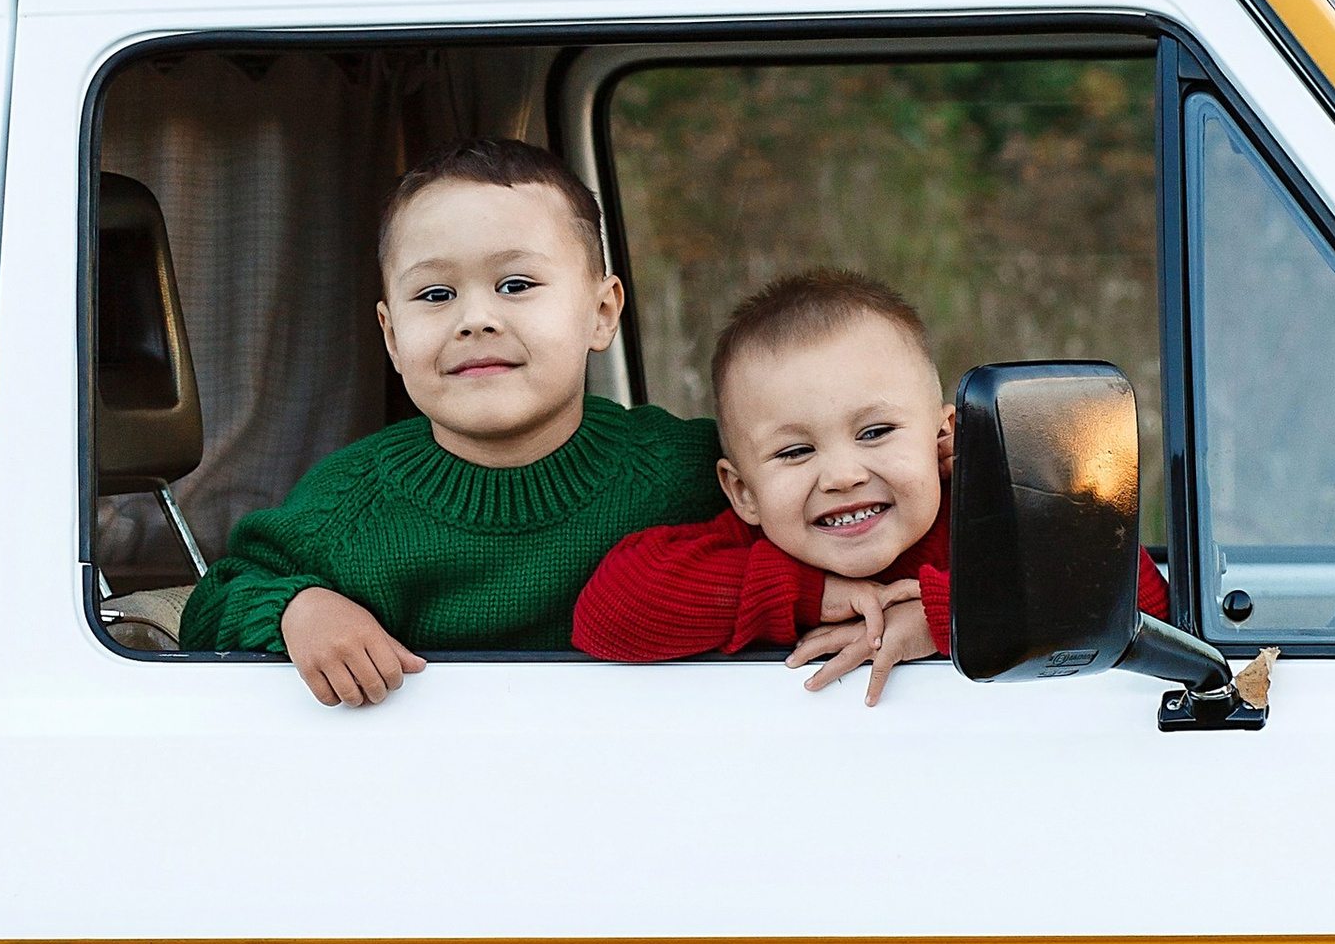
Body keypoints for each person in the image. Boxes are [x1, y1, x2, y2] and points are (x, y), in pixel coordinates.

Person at [178, 138, 725, 700]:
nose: (476, 320)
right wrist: (298, 609)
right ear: (392, 337)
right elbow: (213, 607)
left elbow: (806, 520)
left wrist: (820, 597)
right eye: (436, 294)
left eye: (516, 285)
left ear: (601, 313)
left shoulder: (689, 471)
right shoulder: (347, 505)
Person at [574, 267, 1167, 704]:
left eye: (876, 431)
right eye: (794, 451)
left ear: (945, 435)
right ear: (743, 493)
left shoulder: (987, 531)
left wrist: (952, 620)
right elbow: (608, 614)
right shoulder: (751, 550)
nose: (842, 475)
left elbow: (1143, 612)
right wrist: (811, 595)